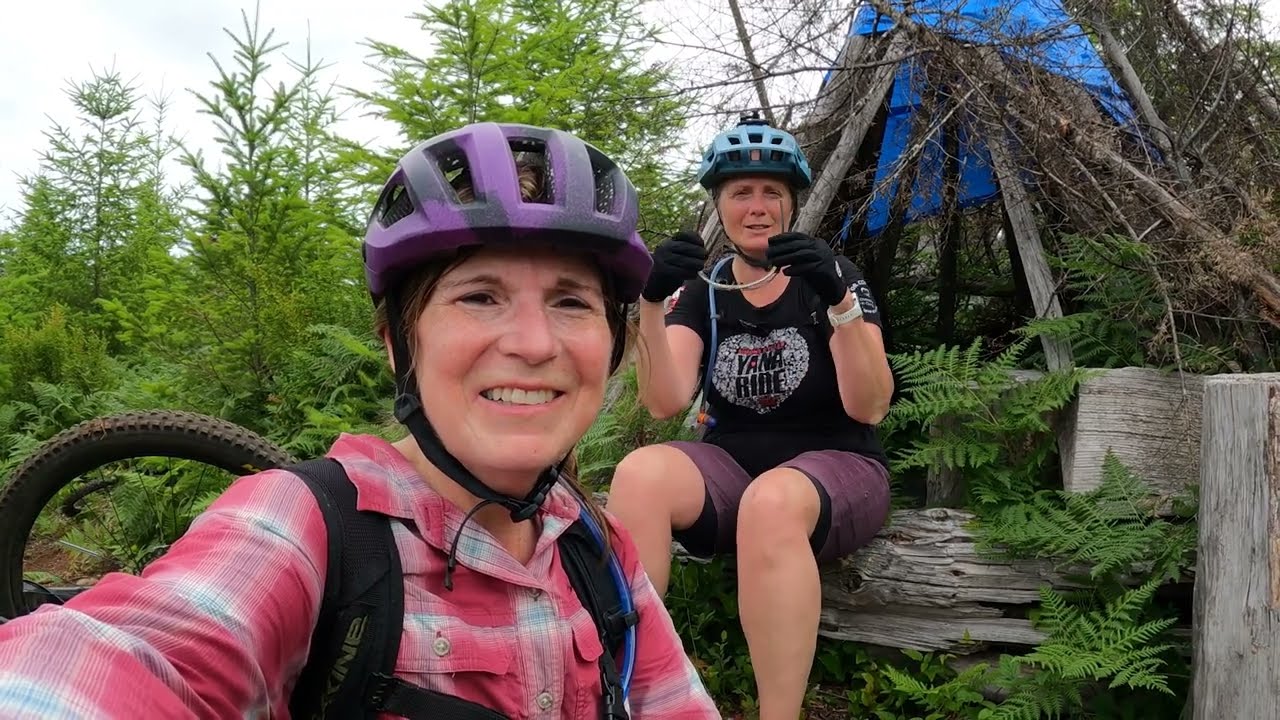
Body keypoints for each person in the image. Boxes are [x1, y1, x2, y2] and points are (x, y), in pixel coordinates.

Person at [0, 123, 721, 719]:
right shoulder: (304, 526)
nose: (534, 344)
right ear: (398, 345)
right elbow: (114, 663)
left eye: (570, 302)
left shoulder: (599, 550)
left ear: (611, 341)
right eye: (479, 296)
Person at [605, 113, 894, 720]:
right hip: (733, 472)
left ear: (792, 203)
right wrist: (651, 302)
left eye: (772, 192)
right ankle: (626, 694)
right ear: (720, 203)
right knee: (639, 474)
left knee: (772, 500)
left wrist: (839, 301)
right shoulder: (703, 291)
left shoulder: (832, 276)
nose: (757, 207)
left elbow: (869, 405)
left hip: (840, 466)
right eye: (741, 192)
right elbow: (663, 401)